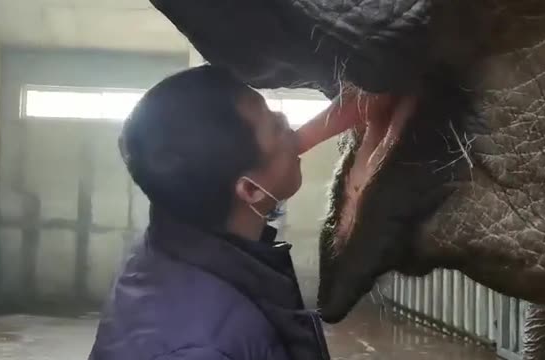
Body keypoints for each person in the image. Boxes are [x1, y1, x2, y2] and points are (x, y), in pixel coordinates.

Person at [88, 65, 390, 360]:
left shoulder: (166, 246)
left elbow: (276, 152)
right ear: (251, 190)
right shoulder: (204, 347)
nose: (285, 118)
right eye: (276, 126)